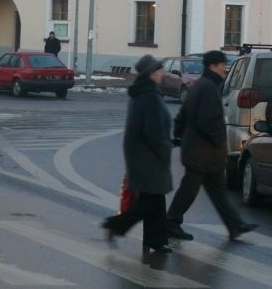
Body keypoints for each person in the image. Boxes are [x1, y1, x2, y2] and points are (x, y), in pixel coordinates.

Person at [167, 50, 258, 241]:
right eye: (222, 64)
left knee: (217, 190)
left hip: (200, 150)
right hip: (203, 152)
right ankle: (171, 223)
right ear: (213, 66)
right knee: (190, 189)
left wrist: (178, 135)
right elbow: (207, 120)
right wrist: (219, 142)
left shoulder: (201, 85)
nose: (225, 68)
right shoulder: (208, 88)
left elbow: (182, 115)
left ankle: (234, 225)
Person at [102, 54, 173, 261]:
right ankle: (115, 225)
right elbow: (153, 131)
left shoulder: (142, 93)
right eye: (159, 70)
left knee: (156, 199)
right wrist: (164, 149)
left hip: (140, 154)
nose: (162, 73)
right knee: (151, 201)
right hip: (148, 156)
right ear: (151, 74)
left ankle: (156, 240)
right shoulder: (150, 96)